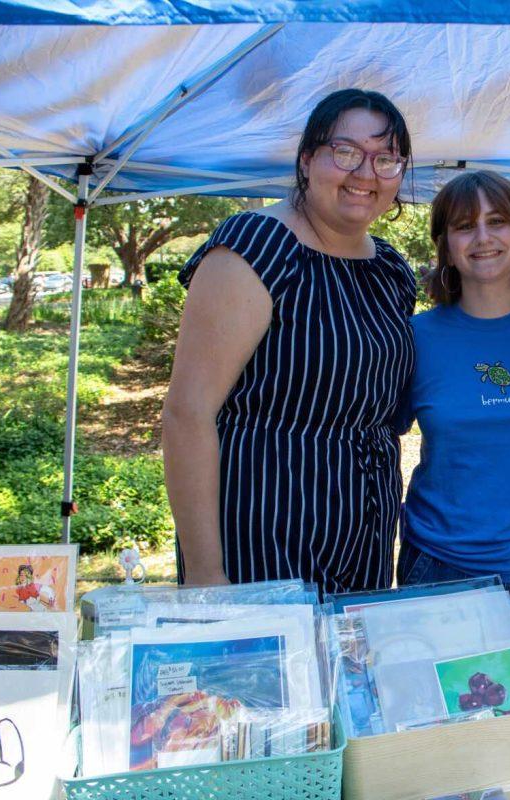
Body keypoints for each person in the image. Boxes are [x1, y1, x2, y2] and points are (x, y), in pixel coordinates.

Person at [163, 89, 417, 593]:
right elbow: (187, 414)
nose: (365, 174)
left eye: (385, 159)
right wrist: (206, 573)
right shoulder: (257, 247)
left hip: (364, 530)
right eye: (345, 152)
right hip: (263, 532)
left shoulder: (390, 269)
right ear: (307, 159)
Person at [395, 171, 510, 676]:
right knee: (441, 722)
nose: (483, 238)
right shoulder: (415, 337)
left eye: (497, 221)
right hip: (439, 563)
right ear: (445, 245)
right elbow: (372, 437)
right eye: (464, 226)